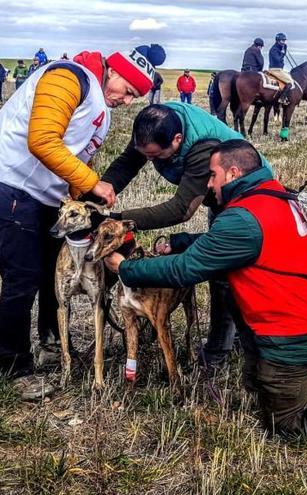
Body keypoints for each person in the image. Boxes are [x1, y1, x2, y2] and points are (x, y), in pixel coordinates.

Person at [104, 139, 307, 451]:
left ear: (233, 174)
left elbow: (185, 270)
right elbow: (232, 245)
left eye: (212, 175)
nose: (207, 184)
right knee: (258, 383)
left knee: (285, 426)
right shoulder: (273, 195)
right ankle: (265, 385)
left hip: (295, 331)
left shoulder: (243, 219)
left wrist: (126, 269)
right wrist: (180, 241)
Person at [0, 43, 166, 399]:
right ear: (116, 73)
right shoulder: (68, 77)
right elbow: (42, 140)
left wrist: (87, 200)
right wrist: (93, 183)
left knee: (50, 269)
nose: (128, 100)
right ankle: (15, 368)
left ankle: (53, 342)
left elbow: (73, 158)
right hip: (11, 183)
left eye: (136, 96)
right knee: (23, 275)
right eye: (129, 91)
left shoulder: (96, 100)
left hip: (45, 194)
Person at [99, 104, 273, 374]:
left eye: (156, 156)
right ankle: (242, 336)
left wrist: (119, 221)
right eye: (146, 155)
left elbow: (182, 209)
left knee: (223, 275)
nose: (151, 160)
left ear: (177, 141)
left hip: (242, 199)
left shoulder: (203, 150)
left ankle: (217, 352)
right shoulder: (154, 125)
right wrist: (100, 194)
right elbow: (127, 164)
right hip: (224, 193)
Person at [266, 33, 294, 104]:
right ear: (278, 41)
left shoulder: (279, 48)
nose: (284, 42)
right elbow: (278, 59)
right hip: (275, 69)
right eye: (282, 41)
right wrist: (283, 52)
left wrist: (283, 50)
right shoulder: (274, 49)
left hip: (280, 69)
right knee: (290, 82)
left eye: (284, 41)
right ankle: (282, 98)